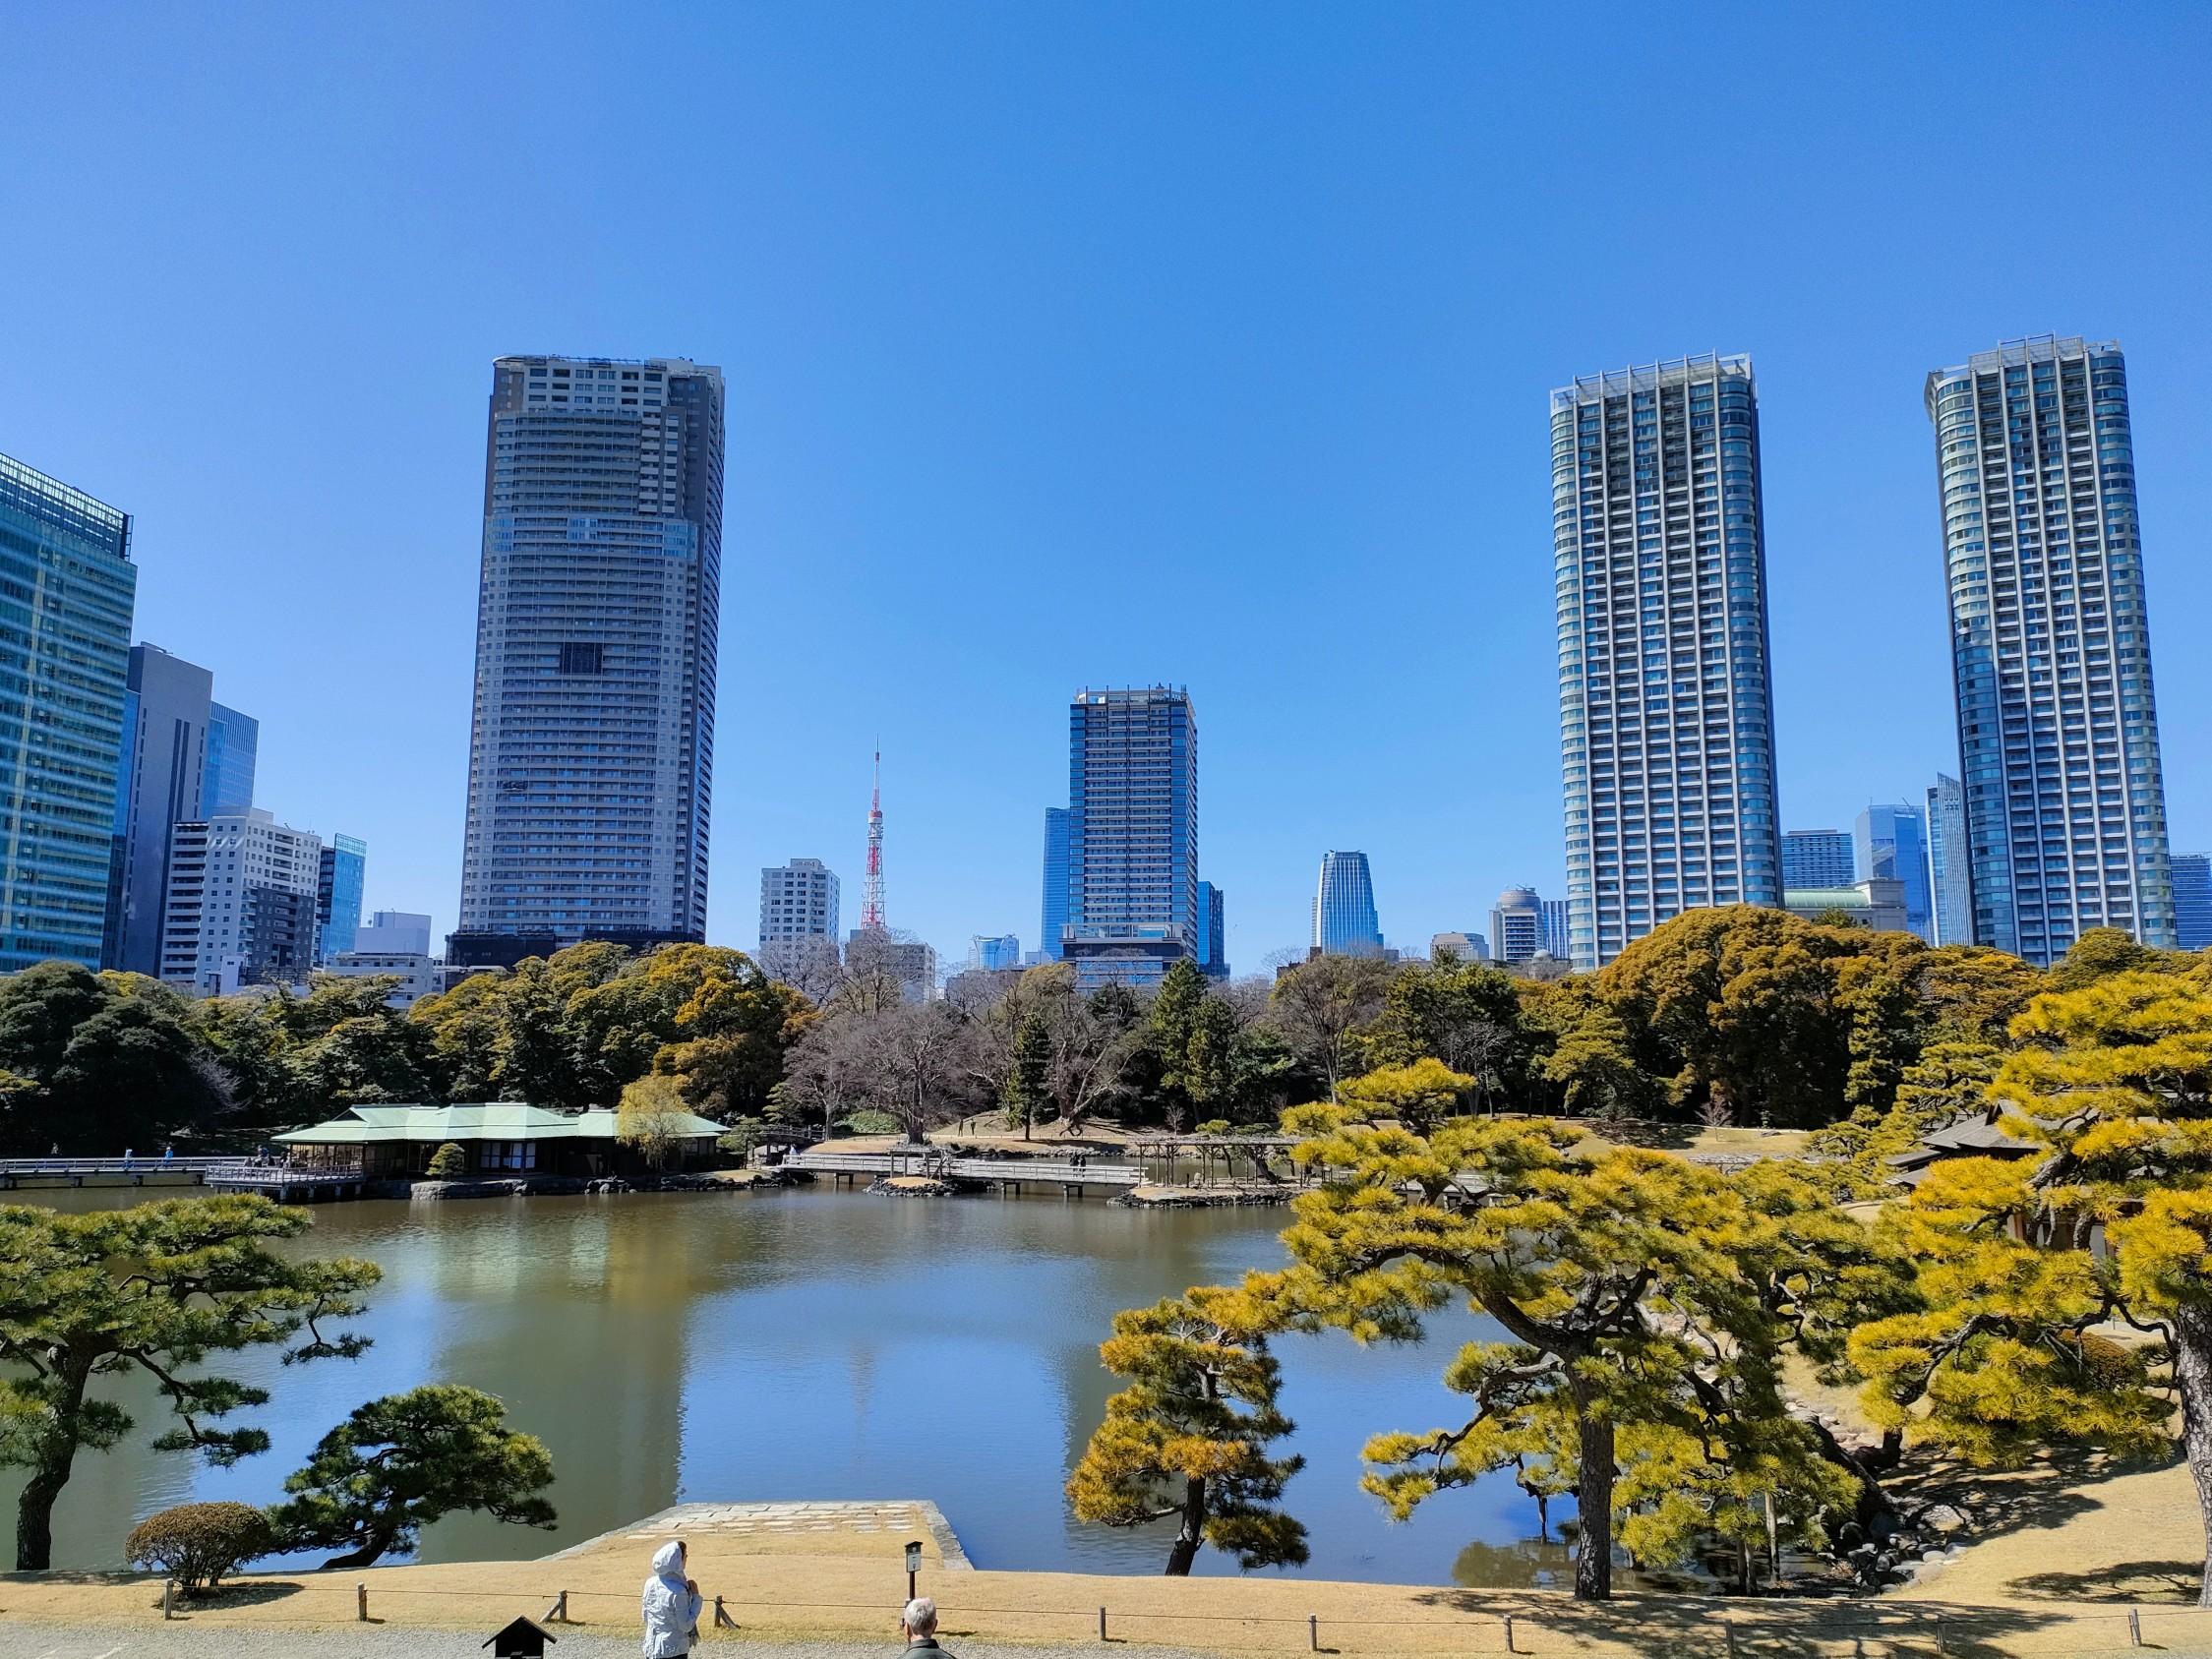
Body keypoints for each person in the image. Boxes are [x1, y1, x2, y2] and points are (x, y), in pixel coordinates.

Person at [640, 1539, 702, 1659]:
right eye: (685, 1556)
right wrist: (696, 1599)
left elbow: (645, 1616)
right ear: (677, 1561)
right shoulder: (678, 1591)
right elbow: (686, 1625)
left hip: (652, 1646)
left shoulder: (650, 1583)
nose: (687, 1558)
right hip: (673, 1648)